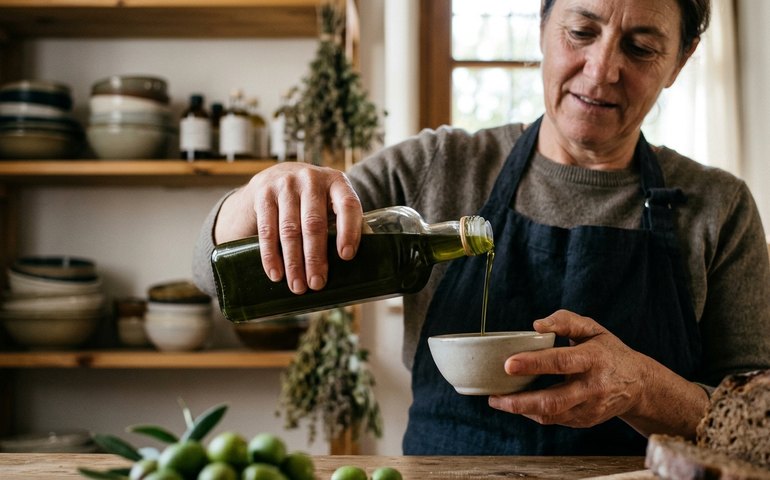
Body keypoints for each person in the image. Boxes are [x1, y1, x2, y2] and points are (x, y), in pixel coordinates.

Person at [193, 0, 770, 455]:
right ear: (542, 26)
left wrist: (645, 390)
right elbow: (211, 275)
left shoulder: (719, 206)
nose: (602, 70)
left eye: (641, 47)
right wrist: (260, 199)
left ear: (682, 59)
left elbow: (761, 427)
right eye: (580, 32)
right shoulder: (436, 169)